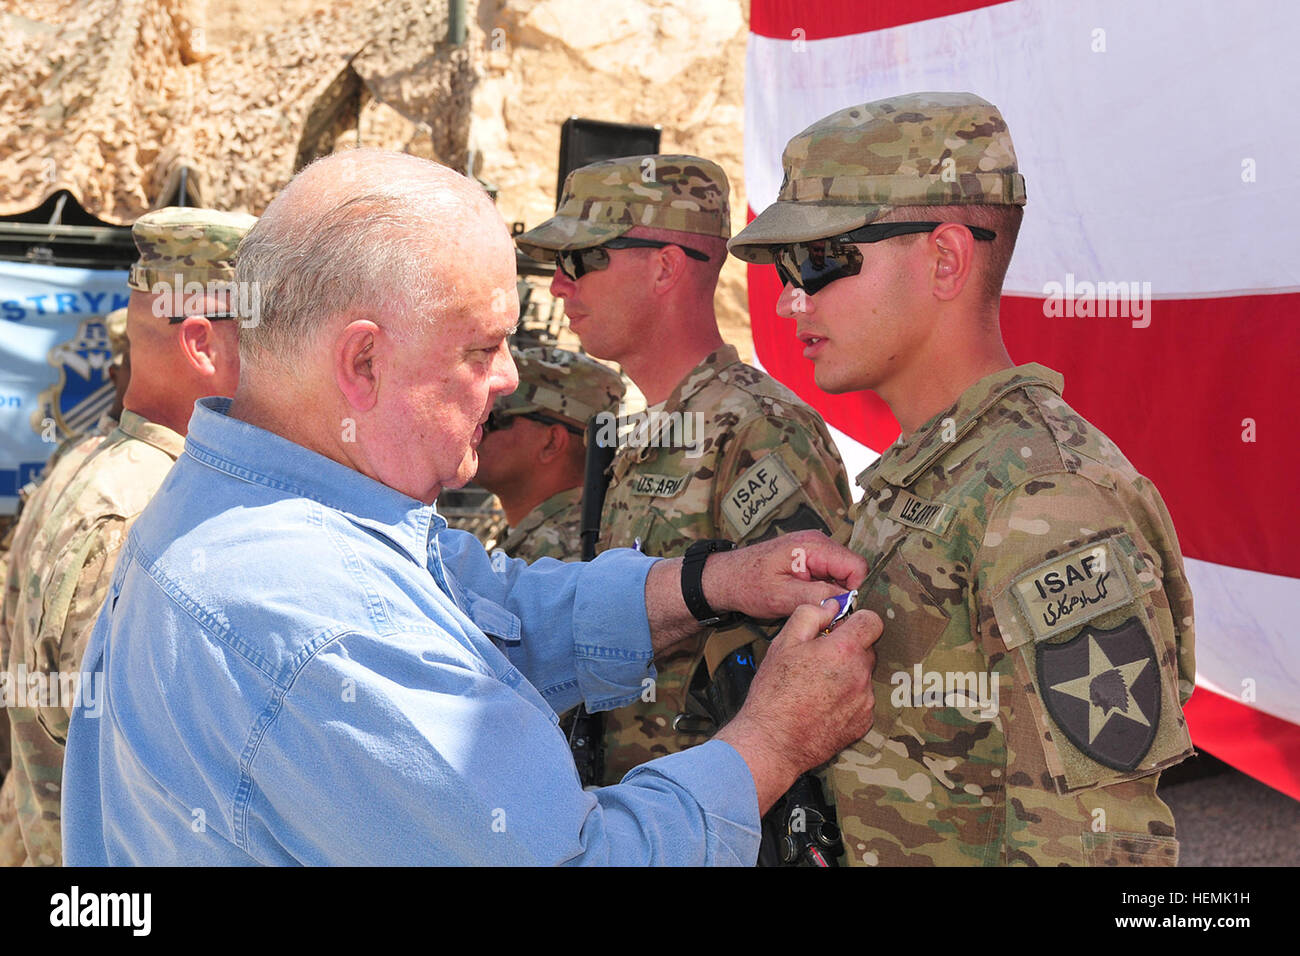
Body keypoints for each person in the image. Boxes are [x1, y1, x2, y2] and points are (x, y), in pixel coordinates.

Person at [62, 149, 882, 866]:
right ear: (364, 362)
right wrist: (772, 741)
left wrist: (707, 583)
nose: (511, 381)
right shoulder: (326, 611)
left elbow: (488, 610)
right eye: (480, 349)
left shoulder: (265, 501)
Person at [728, 92, 1196, 866]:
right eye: (787, 267)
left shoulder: (1043, 500)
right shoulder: (935, 473)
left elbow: (1099, 850)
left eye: (818, 261)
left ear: (945, 259)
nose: (789, 297)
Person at [516, 155, 854, 783]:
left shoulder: (758, 429)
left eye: (580, 261)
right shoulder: (644, 432)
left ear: (665, 267)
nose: (560, 286)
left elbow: (820, 647)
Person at [0, 207, 252, 866]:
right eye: (275, 336)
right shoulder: (156, 518)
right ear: (203, 345)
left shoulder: (87, 471)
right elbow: (147, 783)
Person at [474, 344, 624, 562]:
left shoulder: (576, 554)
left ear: (551, 442)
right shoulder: (537, 538)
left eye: (492, 419)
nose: (476, 429)